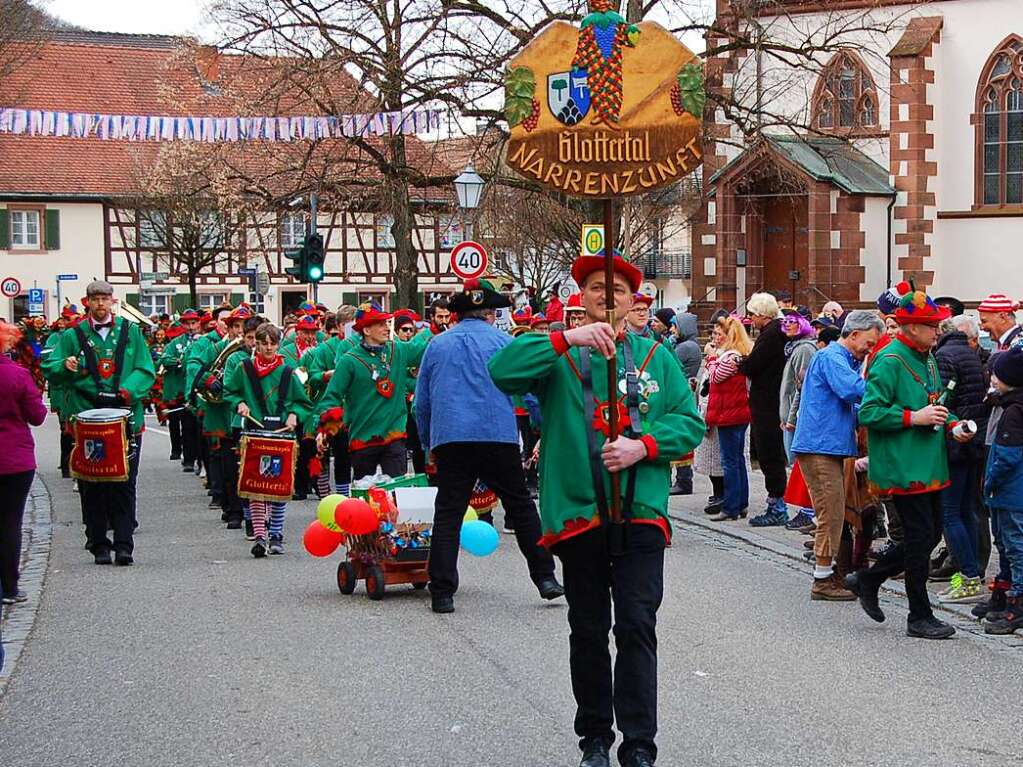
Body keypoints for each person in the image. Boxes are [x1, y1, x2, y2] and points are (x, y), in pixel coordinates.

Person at [490, 250, 704, 767]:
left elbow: (689, 423)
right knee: (587, 628)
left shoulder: (656, 357)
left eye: (619, 290)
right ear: (580, 299)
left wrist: (643, 445)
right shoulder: (556, 356)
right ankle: (594, 739)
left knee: (635, 624)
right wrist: (567, 338)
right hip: (579, 515)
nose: (607, 297)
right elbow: (501, 371)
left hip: (640, 514)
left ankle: (638, 744)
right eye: (595, 289)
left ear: (634, 301)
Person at [415, 278, 563, 614]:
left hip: (452, 437)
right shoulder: (504, 342)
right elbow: (528, 390)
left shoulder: (436, 346)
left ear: (456, 314)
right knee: (521, 507)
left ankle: (442, 592)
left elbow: (421, 403)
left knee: (449, 513)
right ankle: (545, 578)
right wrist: (541, 428)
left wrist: (429, 443)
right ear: (490, 314)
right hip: (497, 434)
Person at [846, 285, 974, 639]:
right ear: (911, 327)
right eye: (931, 325)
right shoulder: (890, 360)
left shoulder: (928, 356)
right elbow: (869, 412)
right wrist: (912, 418)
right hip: (903, 464)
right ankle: (918, 614)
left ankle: (868, 579)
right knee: (920, 537)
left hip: (929, 462)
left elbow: (933, 402)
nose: (937, 331)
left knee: (929, 534)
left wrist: (952, 425)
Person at [42, 281, 155, 565]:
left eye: (105, 299)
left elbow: (145, 369)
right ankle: (98, 543)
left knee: (125, 482)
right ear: (88, 303)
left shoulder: (131, 333)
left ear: (112, 301)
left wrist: (126, 391)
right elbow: (51, 369)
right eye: (96, 300)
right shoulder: (72, 335)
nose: (101, 305)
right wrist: (63, 366)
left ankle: (124, 544)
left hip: (124, 416)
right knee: (91, 482)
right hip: (87, 416)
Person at [791, 310, 883, 600]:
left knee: (833, 510)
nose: (871, 347)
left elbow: (852, 404)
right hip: (820, 445)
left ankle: (829, 574)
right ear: (853, 334)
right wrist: (887, 394)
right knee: (830, 511)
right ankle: (822, 580)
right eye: (869, 341)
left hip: (828, 444)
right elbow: (853, 390)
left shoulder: (841, 359)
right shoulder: (833, 358)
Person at [224, 323, 311, 557]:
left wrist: (294, 415)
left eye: (273, 343)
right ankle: (260, 536)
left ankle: (276, 534)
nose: (269, 347)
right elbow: (229, 392)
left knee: (279, 485)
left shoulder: (288, 370)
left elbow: (302, 402)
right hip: (254, 432)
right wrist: (239, 403)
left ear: (278, 344)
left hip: (281, 433)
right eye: (264, 343)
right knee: (256, 486)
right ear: (257, 344)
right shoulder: (244, 368)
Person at [316, 303, 430, 480]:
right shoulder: (349, 361)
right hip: (363, 438)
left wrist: (440, 329)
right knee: (366, 497)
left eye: (386, 323)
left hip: (394, 435)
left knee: (394, 494)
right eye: (380, 324)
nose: (387, 328)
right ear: (366, 330)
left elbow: (425, 349)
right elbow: (331, 397)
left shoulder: (398, 349)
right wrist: (325, 431)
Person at [933, 315, 989, 603]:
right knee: (967, 510)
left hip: (954, 442)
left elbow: (940, 401)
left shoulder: (943, 356)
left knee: (950, 512)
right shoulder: (970, 353)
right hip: (973, 442)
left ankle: (968, 577)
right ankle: (972, 574)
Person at [0, 321, 47, 605]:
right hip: (14, 458)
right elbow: (38, 416)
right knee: (9, 521)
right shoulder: (17, 375)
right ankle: (9, 585)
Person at [981, 346, 1023, 634]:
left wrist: (989, 481)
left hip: (1010, 493)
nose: (992, 379)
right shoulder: (1011, 405)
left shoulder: (1013, 413)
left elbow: (1007, 457)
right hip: (1010, 494)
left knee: (1015, 546)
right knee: (1007, 545)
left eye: (997, 375)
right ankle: (1006, 593)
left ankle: (1018, 604)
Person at [740, 292, 790, 526]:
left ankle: (777, 505)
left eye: (752, 315)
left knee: (770, 452)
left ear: (762, 315)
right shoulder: (778, 331)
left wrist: (740, 362)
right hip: (772, 400)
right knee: (771, 452)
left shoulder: (770, 335)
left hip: (768, 403)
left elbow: (753, 364)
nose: (750, 319)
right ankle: (776, 502)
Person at [706, 317, 753, 522]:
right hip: (736, 413)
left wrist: (710, 359)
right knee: (737, 459)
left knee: (730, 462)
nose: (715, 337)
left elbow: (715, 377)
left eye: (718, 333)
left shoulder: (730, 357)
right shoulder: (737, 355)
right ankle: (741, 503)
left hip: (730, 414)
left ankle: (731, 506)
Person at [778, 312, 819, 531]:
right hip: (789, 414)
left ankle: (807, 511)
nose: (787, 325)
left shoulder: (803, 349)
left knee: (800, 466)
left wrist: (791, 418)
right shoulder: (793, 348)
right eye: (785, 322)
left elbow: (801, 387)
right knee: (796, 465)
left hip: (796, 416)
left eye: (792, 322)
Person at [668, 311, 701, 495]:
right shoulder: (690, 344)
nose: (672, 330)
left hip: (682, 395)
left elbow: (669, 362)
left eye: (675, 326)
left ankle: (683, 479)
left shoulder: (687, 347)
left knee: (679, 436)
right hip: (685, 392)